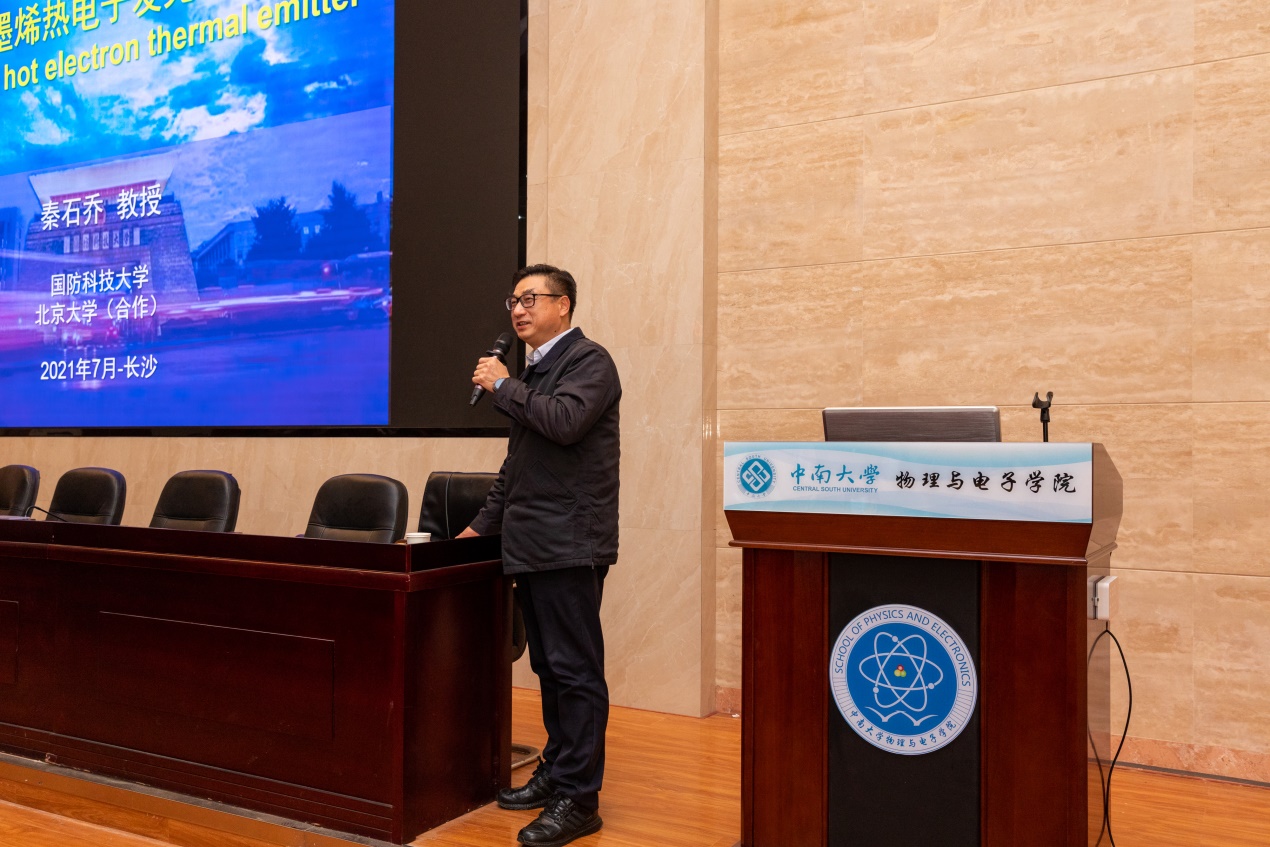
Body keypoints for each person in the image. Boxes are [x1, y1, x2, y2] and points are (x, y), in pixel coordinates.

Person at [461, 264, 620, 846]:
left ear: (564, 304)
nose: (519, 310)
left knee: (576, 672)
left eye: (531, 299)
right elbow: (518, 467)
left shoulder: (589, 361)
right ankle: (557, 772)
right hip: (530, 544)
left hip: (570, 543)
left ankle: (580, 799)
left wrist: (504, 386)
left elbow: (567, 423)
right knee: (550, 669)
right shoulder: (535, 372)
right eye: (513, 300)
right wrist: (478, 529)